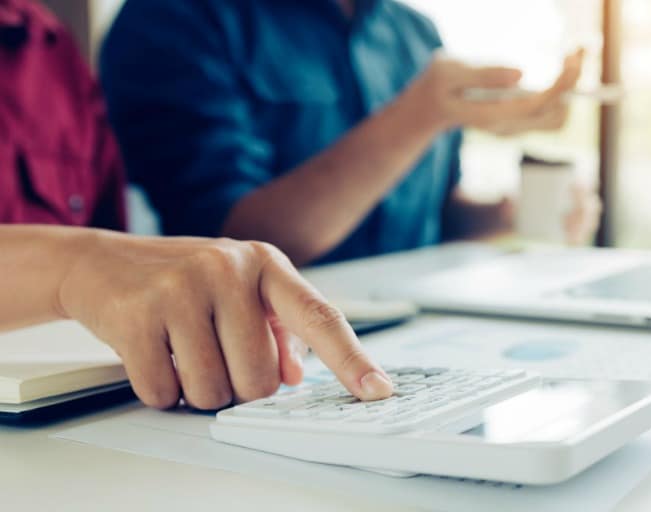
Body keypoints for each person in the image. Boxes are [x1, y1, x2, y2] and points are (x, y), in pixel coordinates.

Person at [0, 0, 391, 410]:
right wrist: (74, 268)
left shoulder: (44, 42)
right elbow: (105, 258)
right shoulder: (174, 18)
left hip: (86, 401)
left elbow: (113, 255)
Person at [100, 0, 603, 267]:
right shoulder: (177, 18)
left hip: (424, 339)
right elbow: (228, 242)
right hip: (274, 356)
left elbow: (434, 216)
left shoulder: (414, 34)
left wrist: (510, 214)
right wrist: (417, 116)